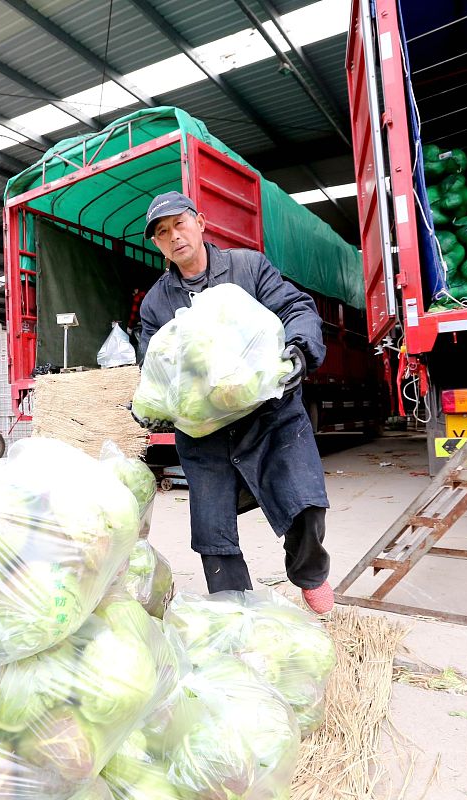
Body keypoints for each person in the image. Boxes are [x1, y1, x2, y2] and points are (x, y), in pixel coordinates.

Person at [133, 191, 334, 614]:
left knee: (305, 504)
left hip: (270, 413)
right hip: (205, 431)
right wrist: (151, 403)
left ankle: (309, 575)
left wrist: (299, 349)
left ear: (200, 223)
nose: (174, 237)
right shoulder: (156, 302)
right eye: (162, 233)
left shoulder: (247, 267)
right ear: (157, 244)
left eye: (180, 224)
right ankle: (238, 616)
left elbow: (295, 306)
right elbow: (153, 364)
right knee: (213, 532)